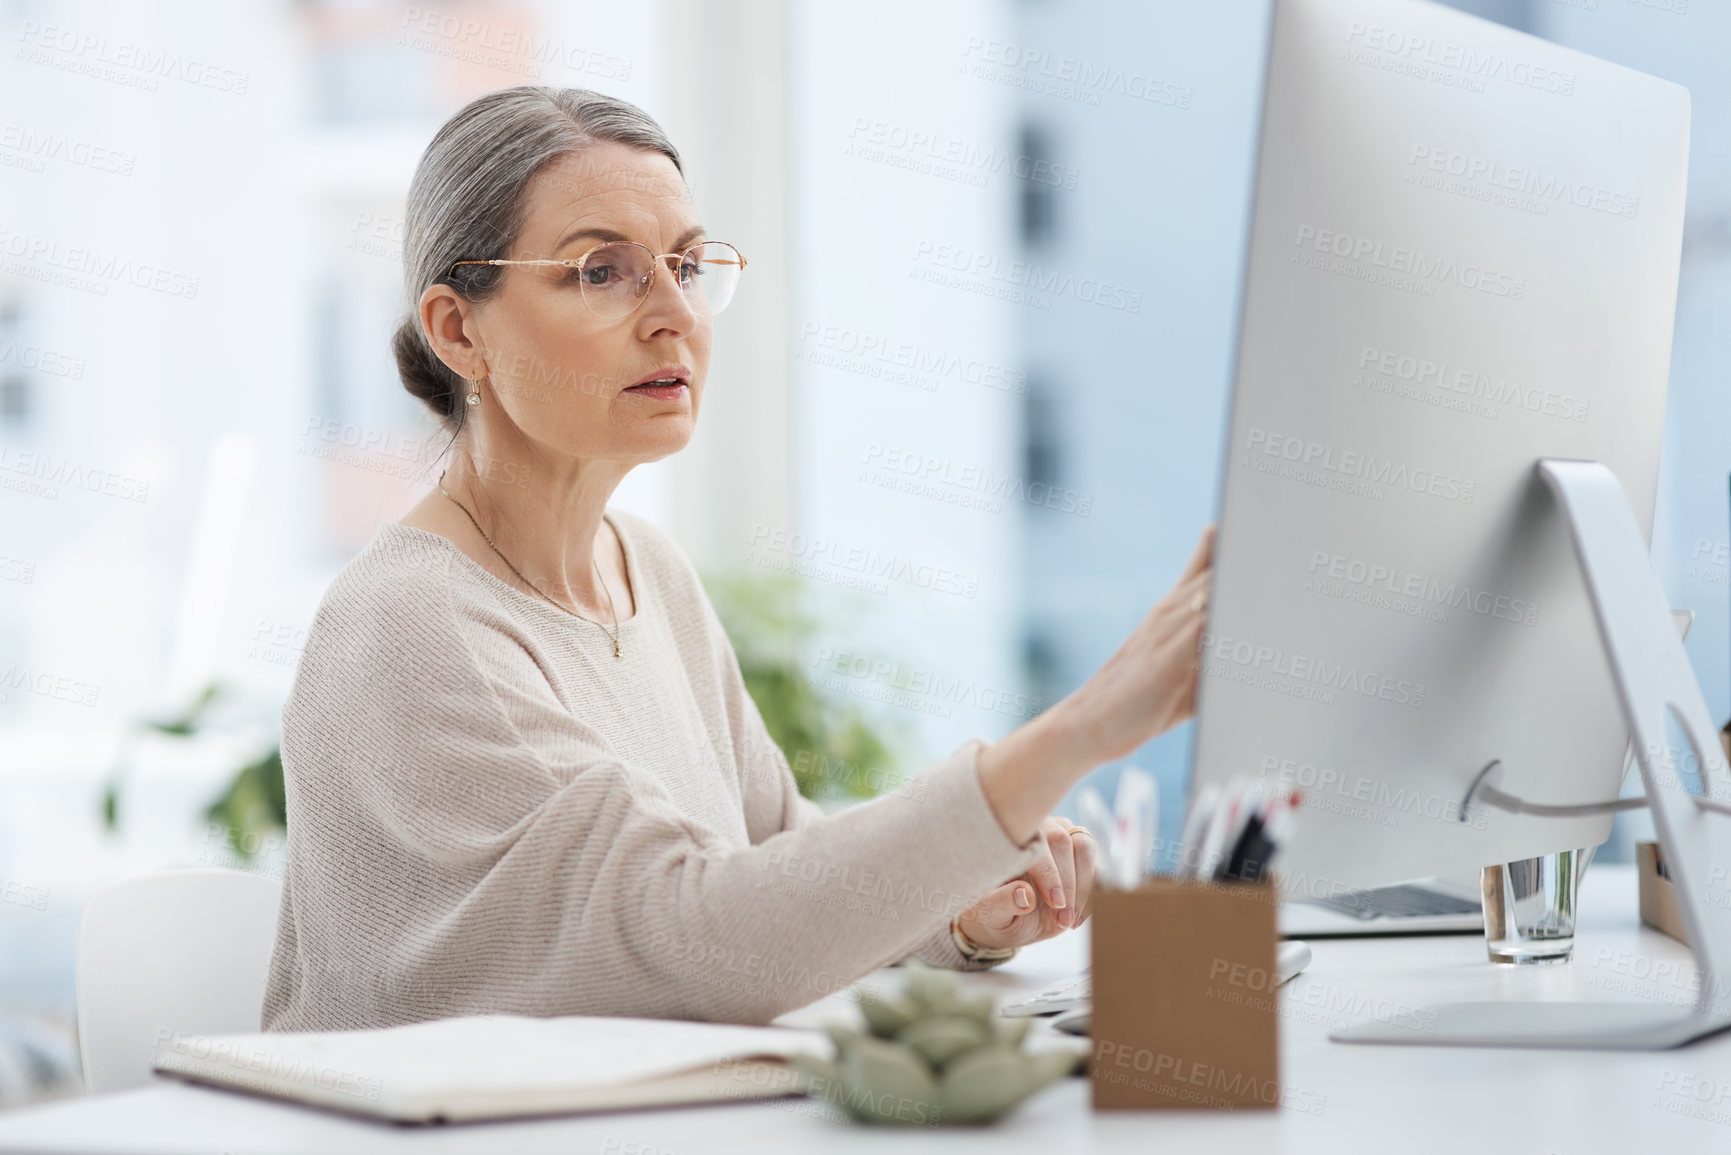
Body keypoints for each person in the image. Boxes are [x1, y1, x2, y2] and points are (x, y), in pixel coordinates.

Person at [262, 86, 1213, 1032]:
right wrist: (1082, 728)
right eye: (603, 272)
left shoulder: (648, 572)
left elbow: (777, 859)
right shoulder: (409, 626)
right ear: (458, 330)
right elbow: (702, 935)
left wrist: (950, 907)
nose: (675, 312)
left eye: (683, 263)